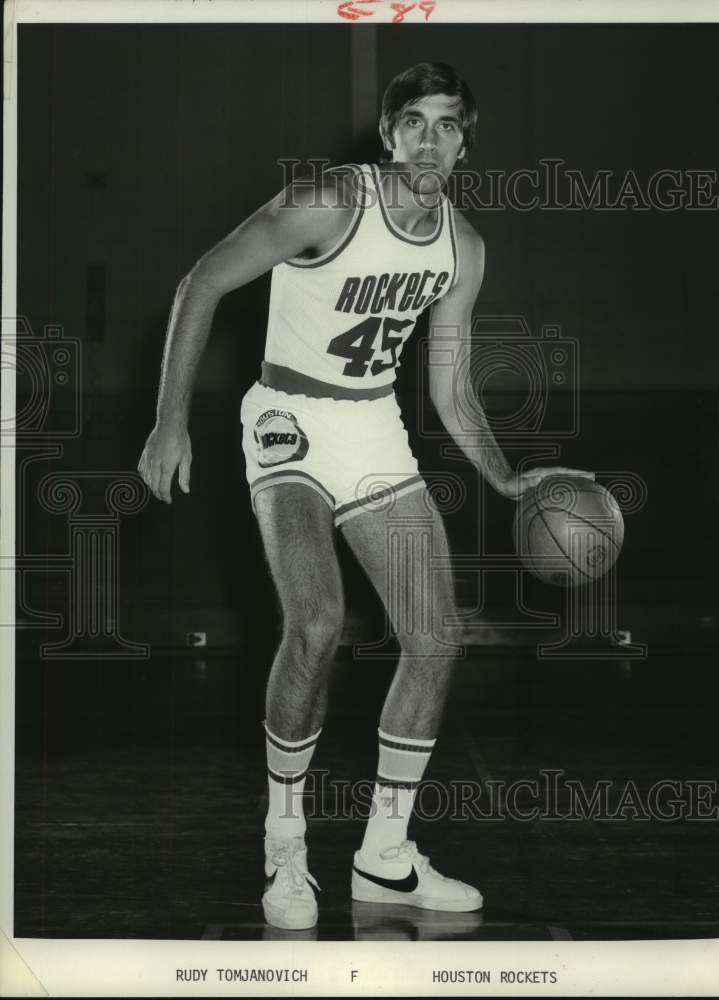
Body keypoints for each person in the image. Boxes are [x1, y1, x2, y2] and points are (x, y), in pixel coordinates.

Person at [138, 61, 592, 931]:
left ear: (465, 142)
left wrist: (507, 477)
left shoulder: (465, 249)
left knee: (435, 635)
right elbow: (201, 282)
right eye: (412, 122)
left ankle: (385, 859)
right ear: (387, 138)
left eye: (448, 124)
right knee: (315, 625)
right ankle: (284, 846)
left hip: (372, 426)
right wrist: (169, 422)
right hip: (289, 421)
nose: (429, 139)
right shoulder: (329, 202)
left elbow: (452, 392)